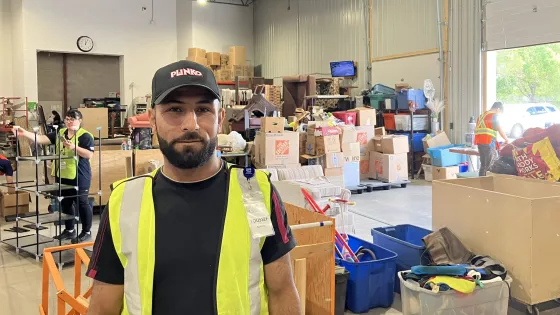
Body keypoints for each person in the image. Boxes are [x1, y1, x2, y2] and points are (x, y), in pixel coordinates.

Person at [85, 60, 301, 315]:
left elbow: (282, 290)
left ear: (220, 118)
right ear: (152, 119)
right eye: (175, 109)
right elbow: (102, 306)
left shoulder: (254, 191)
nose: (192, 124)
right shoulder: (125, 200)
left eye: (203, 109)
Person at [14, 109, 95, 242]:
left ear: (79, 120)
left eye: (72, 119)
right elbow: (40, 139)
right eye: (67, 119)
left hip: (79, 176)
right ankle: (70, 230)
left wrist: (74, 147)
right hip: (62, 175)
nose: (69, 122)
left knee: (82, 203)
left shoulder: (85, 136)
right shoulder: (60, 133)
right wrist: (24, 133)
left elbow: (89, 154)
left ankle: (86, 231)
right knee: (66, 203)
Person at [474, 101, 509, 176]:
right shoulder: (494, 116)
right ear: (498, 109)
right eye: (499, 113)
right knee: (490, 166)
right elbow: (500, 129)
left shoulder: (481, 116)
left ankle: (481, 184)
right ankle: (487, 185)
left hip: (480, 143)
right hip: (488, 143)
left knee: (484, 165)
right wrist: (506, 139)